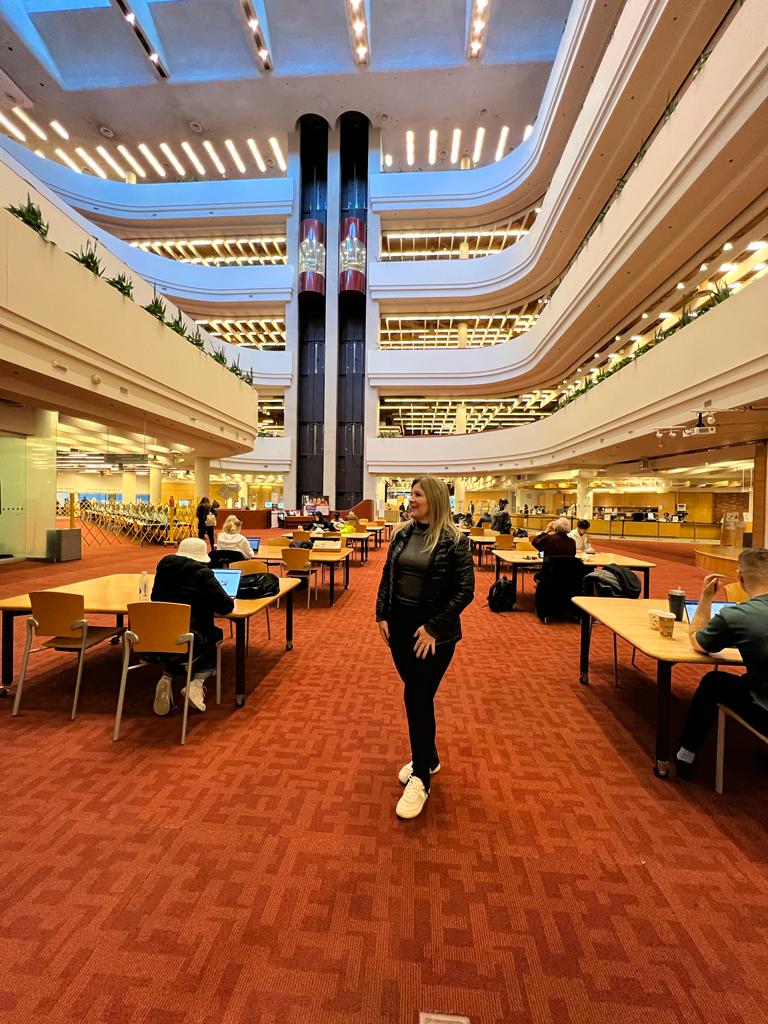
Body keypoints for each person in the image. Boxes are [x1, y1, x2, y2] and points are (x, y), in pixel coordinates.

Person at [376, 476, 475, 820]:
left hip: (433, 634)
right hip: (400, 629)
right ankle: (429, 757)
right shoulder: (402, 533)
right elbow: (387, 575)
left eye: (417, 494)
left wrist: (434, 627)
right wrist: (382, 613)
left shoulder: (455, 541)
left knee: (416, 697)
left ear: (433, 499)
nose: (411, 498)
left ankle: (421, 777)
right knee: (418, 695)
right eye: (411, 493)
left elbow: (465, 591)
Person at [675, 550, 768, 779]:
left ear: (740, 577)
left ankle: (685, 755)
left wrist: (707, 597)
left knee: (713, 682)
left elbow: (697, 641)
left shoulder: (737, 615)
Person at [150, 536, 234, 715]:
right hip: (190, 638)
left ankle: (166, 678)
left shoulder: (163, 567)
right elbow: (226, 606)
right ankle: (196, 684)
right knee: (212, 634)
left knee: (177, 641)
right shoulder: (203, 573)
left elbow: (154, 598)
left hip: (157, 635)